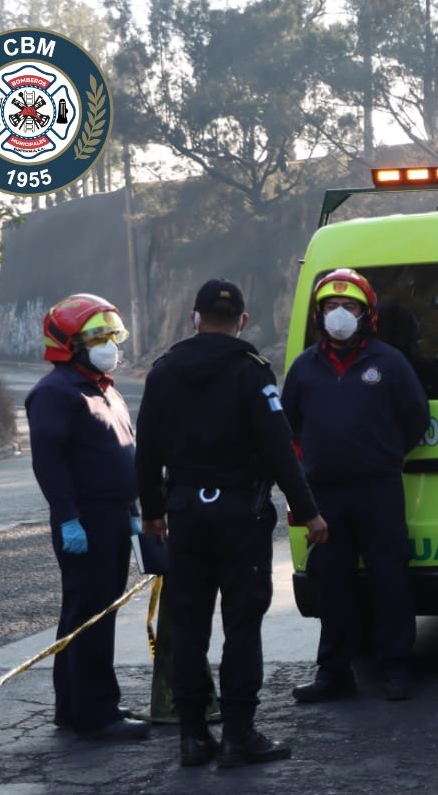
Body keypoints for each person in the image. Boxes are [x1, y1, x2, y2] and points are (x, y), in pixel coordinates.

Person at [135, 278, 328, 769]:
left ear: (194, 318)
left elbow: (147, 451)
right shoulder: (252, 372)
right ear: (242, 321)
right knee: (242, 625)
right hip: (240, 517)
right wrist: (308, 512)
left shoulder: (163, 372)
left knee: (190, 624)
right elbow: (279, 451)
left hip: (184, 516)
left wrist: (152, 513)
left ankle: (193, 737)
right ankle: (239, 735)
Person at [283, 268, 429, 703]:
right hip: (324, 496)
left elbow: (416, 419)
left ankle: (397, 669)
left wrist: (383, 454)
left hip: (379, 490)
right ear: (319, 314)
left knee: (389, 581)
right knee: (333, 586)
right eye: (331, 307)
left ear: (367, 315)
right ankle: (333, 673)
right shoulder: (304, 367)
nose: (339, 315)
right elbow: (288, 427)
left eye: (349, 307)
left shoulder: (389, 362)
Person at [25, 294, 150, 741]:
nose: (109, 343)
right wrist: (68, 518)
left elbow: (123, 453)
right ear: (68, 343)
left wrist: (132, 511)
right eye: (97, 336)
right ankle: (98, 715)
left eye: (112, 334)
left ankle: (79, 706)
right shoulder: (54, 394)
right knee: (89, 616)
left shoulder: (102, 387)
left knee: (93, 614)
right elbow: (50, 463)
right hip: (86, 522)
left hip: (114, 517)